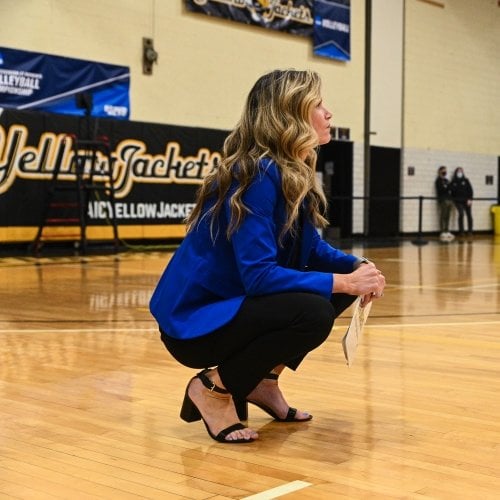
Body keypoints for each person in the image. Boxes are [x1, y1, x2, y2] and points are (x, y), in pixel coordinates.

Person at [149, 69, 386, 444]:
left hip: (235, 307)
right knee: (314, 310)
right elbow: (259, 276)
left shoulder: (292, 172)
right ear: (289, 113)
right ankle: (212, 390)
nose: (328, 113)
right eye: (318, 103)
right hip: (196, 323)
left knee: (338, 291)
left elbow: (313, 250)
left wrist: (356, 269)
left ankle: (261, 380)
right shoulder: (257, 172)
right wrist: (342, 281)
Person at [450, 166, 473, 236]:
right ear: (456, 172)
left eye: (461, 171)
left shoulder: (466, 180)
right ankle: (461, 231)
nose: (459, 173)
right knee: (461, 214)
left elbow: (470, 190)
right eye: (458, 171)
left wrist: (470, 199)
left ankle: (470, 231)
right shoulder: (453, 181)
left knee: (469, 215)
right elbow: (451, 192)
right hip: (458, 201)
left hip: (466, 200)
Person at [435, 166, 455, 241]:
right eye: (443, 171)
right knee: (443, 215)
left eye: (445, 171)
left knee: (448, 216)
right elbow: (441, 190)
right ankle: (442, 231)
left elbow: (450, 188)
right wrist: (447, 187)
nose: (444, 172)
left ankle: (447, 230)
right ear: (439, 171)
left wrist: (448, 187)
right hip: (443, 199)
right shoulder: (438, 181)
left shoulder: (447, 180)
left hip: (449, 199)